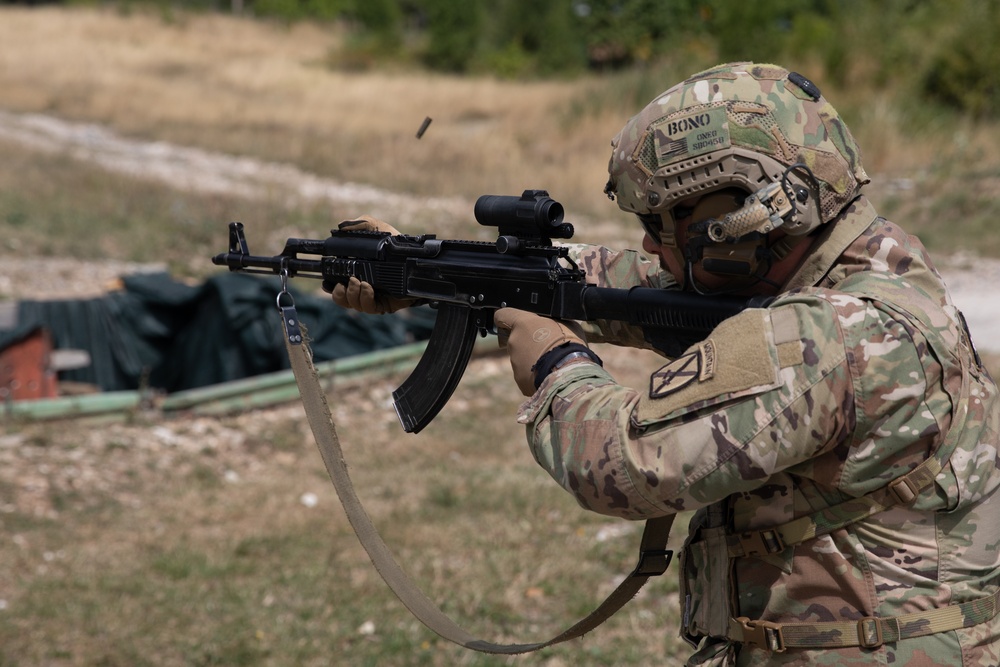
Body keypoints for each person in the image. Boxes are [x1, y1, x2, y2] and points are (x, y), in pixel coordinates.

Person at [331, 62, 1000, 666]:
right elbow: (638, 284)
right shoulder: (872, 263)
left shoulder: (830, 337)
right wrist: (436, 274)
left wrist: (558, 361)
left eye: (665, 221)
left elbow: (620, 464)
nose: (650, 240)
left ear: (747, 213)